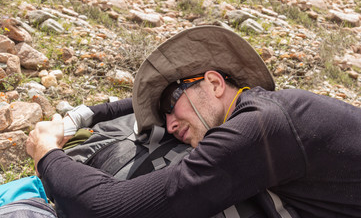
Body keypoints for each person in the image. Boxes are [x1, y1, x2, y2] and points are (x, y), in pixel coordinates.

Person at [26, 25, 361, 218]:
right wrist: (86, 115)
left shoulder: (259, 129)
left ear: (214, 83)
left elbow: (108, 209)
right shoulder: (275, 110)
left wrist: (47, 153)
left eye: (171, 104)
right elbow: (134, 107)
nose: (170, 125)